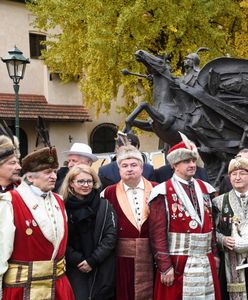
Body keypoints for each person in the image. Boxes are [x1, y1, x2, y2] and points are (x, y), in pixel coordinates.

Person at [149, 138, 221, 299]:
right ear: (175, 165)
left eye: (193, 160)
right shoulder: (162, 191)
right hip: (178, 262)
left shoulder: (205, 188)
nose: (192, 164)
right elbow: (157, 234)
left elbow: (212, 226)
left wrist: (215, 254)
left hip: (206, 259)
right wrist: (165, 266)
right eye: (186, 161)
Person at [0, 147, 74, 300]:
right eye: (48, 172)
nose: (54, 176)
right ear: (30, 178)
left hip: (58, 287)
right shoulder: (9, 202)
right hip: (21, 289)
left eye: (54, 171)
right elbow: (1, 251)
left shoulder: (59, 201)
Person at [102, 144, 157, 300]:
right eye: (124, 166)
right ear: (119, 170)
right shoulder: (108, 192)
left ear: (142, 168)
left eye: (134, 165)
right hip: (122, 259)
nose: (129, 169)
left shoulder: (157, 189)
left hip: (152, 256)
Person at [60, 164, 117, 300]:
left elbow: (111, 236)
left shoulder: (104, 205)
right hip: (75, 267)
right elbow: (60, 237)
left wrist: (93, 260)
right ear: (71, 183)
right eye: (81, 181)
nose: (86, 185)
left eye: (89, 181)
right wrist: (78, 260)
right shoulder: (61, 206)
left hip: (101, 265)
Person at [213, 156, 248, 299]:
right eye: (234, 174)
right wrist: (222, 240)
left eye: (242, 173)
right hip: (231, 263)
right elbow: (212, 231)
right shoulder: (219, 202)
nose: (237, 177)